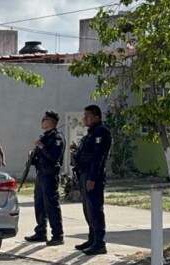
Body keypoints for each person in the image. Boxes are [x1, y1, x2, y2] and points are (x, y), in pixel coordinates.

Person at [71, 104, 112, 256]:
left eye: (88, 116)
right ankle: (92, 238)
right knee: (87, 209)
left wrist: (92, 178)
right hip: (84, 173)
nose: (85, 118)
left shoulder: (101, 132)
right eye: (85, 115)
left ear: (96, 117)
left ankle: (100, 243)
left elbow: (98, 157)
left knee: (95, 208)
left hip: (93, 175)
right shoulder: (91, 133)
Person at [24, 111, 66, 246]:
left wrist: (42, 147)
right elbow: (40, 158)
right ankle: (41, 231)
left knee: (51, 204)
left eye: (45, 119)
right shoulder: (45, 137)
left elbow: (54, 157)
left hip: (50, 174)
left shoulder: (57, 138)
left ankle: (58, 235)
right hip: (41, 173)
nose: (42, 121)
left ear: (51, 122)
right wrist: (32, 158)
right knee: (39, 203)